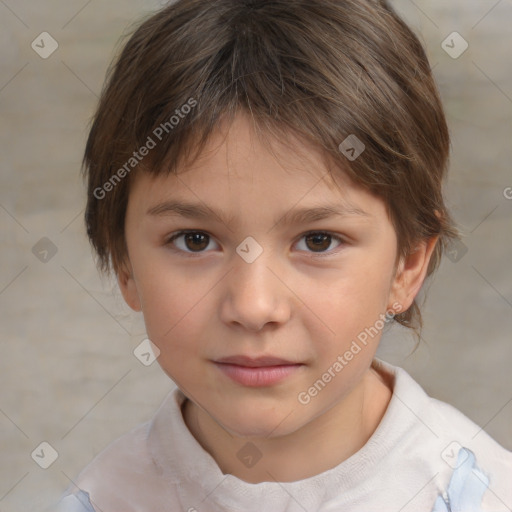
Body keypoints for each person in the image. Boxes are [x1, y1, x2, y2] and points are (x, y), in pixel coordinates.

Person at [53, 0, 512, 510]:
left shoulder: (481, 492)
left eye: (318, 241)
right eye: (195, 240)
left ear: (407, 266)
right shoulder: (103, 499)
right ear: (125, 264)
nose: (253, 307)